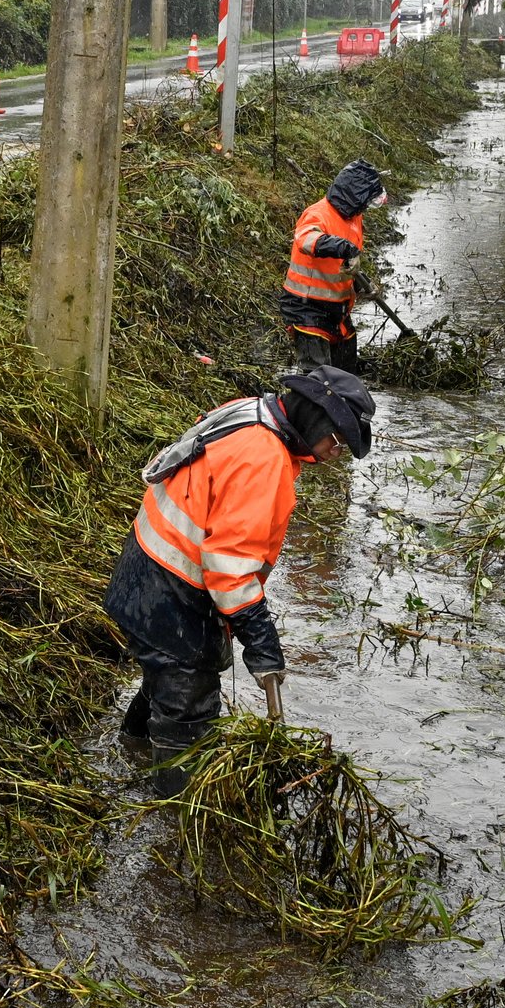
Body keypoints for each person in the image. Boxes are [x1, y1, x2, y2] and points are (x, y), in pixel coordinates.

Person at [105, 365, 377, 789]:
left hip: (142, 569)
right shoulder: (263, 459)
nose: (334, 453)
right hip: (169, 592)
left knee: (167, 678)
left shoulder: (253, 412)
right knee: (188, 707)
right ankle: (174, 815)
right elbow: (230, 570)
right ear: (316, 420)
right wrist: (262, 640)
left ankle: (130, 752)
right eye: (337, 441)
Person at [279, 159, 386, 371]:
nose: (366, 207)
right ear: (356, 196)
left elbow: (345, 266)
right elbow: (306, 240)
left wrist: (361, 286)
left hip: (338, 312)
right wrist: (346, 248)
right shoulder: (318, 214)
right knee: (317, 380)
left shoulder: (354, 218)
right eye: (366, 201)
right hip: (307, 308)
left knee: (346, 375)